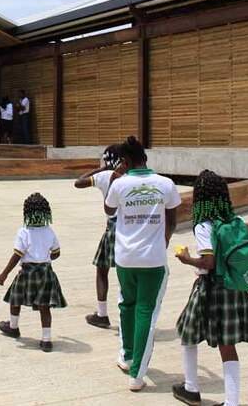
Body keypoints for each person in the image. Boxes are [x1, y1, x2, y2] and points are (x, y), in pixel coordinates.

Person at [172, 170, 248, 406]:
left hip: (210, 289)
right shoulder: (236, 221)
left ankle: (191, 389)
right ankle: (231, 402)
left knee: (187, 332)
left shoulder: (204, 225)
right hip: (234, 288)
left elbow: (209, 263)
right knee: (227, 344)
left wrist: (187, 259)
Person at [104, 136, 181, 392]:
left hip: (125, 258)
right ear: (145, 157)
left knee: (126, 305)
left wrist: (115, 177)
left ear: (125, 161)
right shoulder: (166, 184)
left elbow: (109, 211)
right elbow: (172, 220)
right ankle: (137, 374)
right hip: (153, 259)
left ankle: (126, 357)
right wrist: (164, 243)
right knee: (146, 312)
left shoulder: (119, 184)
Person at [0, 192, 66, 352]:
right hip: (46, 272)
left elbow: (16, 255)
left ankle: (13, 327)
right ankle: (46, 340)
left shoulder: (24, 231)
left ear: (26, 212)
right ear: (46, 213)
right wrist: (46, 256)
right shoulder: (49, 231)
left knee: (15, 299)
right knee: (44, 306)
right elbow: (56, 253)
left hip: (27, 272)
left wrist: (4, 273)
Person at [74, 144, 124, 329]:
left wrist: (101, 169)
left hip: (113, 227)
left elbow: (79, 182)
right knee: (125, 272)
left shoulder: (105, 176)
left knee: (102, 269)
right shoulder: (130, 176)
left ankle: (102, 314)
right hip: (131, 227)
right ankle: (127, 314)